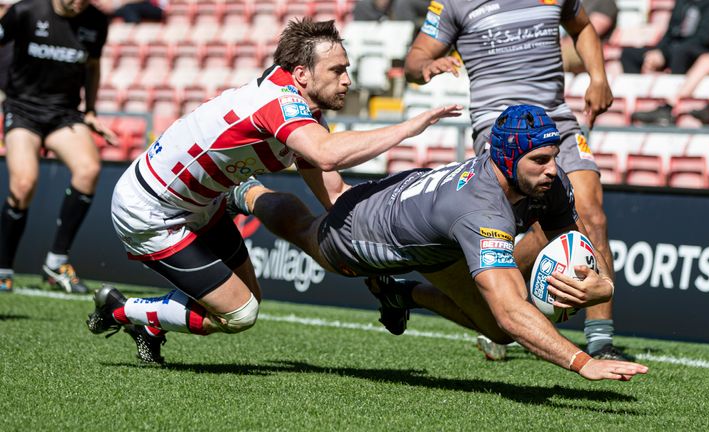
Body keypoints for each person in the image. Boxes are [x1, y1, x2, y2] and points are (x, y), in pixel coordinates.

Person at [85, 18, 461, 364]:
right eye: (337, 70)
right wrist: (408, 127)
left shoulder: (304, 111)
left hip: (200, 202)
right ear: (301, 74)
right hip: (151, 209)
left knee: (249, 299)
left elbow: (335, 196)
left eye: (346, 69)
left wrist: (387, 246)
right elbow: (326, 155)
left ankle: (152, 323)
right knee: (240, 313)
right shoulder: (279, 103)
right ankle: (121, 310)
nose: (347, 80)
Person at [227, 105, 649, 381]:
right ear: (506, 159)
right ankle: (249, 193)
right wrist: (583, 362)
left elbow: (575, 241)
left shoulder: (542, 183)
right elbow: (511, 311)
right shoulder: (481, 212)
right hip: (365, 233)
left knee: (497, 335)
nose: (554, 169)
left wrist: (603, 286)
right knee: (309, 230)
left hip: (431, 232)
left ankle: (402, 294)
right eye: (540, 160)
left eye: (554, 156)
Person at [402, 0, 625, 360]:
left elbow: (581, 27)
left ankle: (601, 342)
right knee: (538, 233)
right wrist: (426, 65)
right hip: (501, 131)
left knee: (592, 215)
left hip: (556, 125)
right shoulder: (453, 4)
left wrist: (598, 76)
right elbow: (413, 62)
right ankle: (499, 310)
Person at [0, 0, 117, 293]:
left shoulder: (96, 22)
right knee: (23, 184)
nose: (79, 4)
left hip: (63, 113)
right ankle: (3, 267)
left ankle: (56, 263)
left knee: (88, 169)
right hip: (22, 109)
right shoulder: (26, 11)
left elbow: (93, 66)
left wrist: (89, 110)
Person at [620, 0, 709, 75]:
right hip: (673, 49)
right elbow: (670, 32)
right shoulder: (683, 3)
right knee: (629, 54)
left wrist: (665, 53)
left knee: (680, 52)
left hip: (699, 53)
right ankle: (637, 94)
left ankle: (672, 103)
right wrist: (659, 51)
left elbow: (703, 40)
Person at [562, 0, 618, 73]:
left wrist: (563, 43)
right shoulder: (582, 2)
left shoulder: (606, 3)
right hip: (570, 46)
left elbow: (588, 33)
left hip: (589, 50)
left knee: (557, 56)